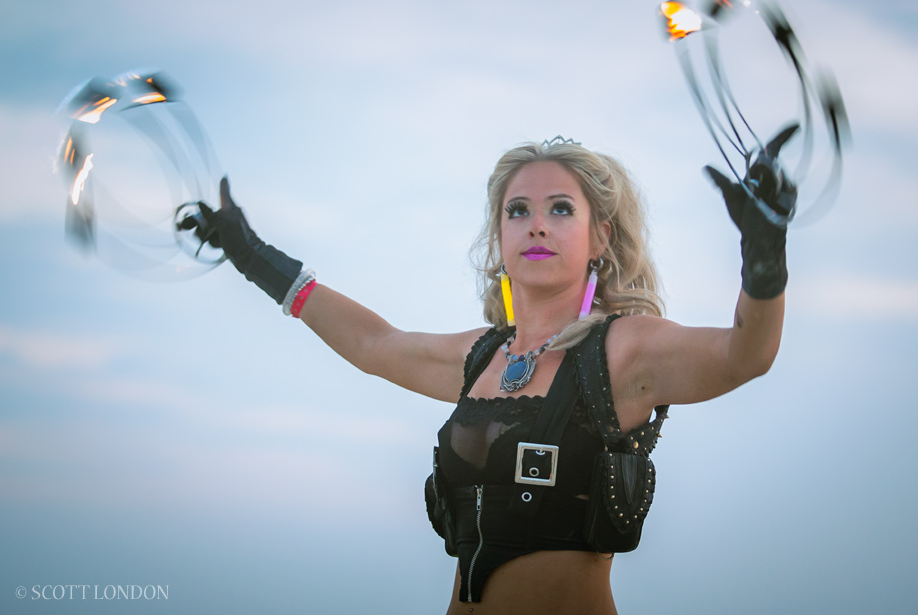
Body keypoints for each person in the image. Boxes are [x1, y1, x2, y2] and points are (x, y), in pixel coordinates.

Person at [183, 132, 795, 614]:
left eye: (561, 209)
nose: (536, 224)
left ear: (599, 237)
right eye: (517, 210)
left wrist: (763, 261)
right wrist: (251, 256)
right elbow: (374, 343)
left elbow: (745, 354)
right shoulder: (479, 357)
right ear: (499, 236)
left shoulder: (624, 351)